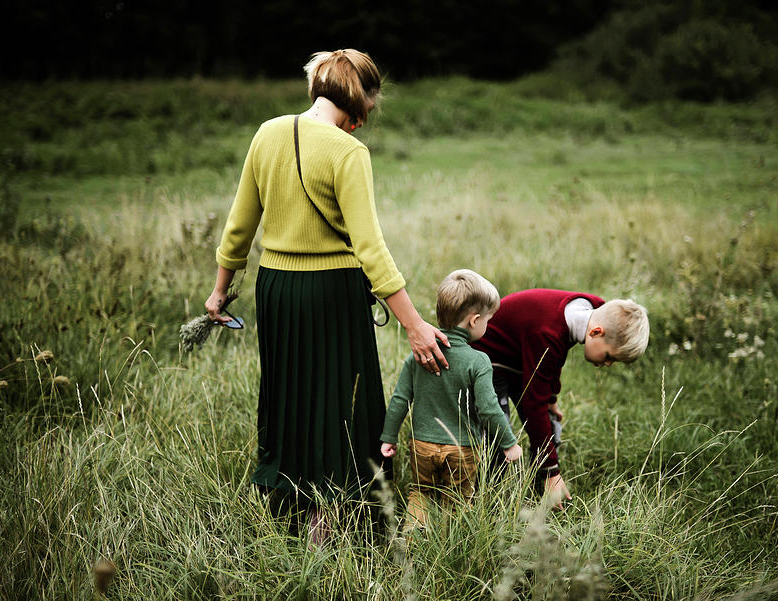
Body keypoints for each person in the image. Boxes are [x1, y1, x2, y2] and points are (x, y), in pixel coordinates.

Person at [204, 49, 449, 537]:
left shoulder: (267, 132)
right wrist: (416, 325)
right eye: (366, 114)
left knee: (289, 397)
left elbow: (238, 228)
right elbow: (371, 249)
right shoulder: (348, 152)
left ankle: (290, 511)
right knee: (343, 404)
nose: (361, 126)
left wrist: (218, 293)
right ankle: (332, 522)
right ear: (357, 103)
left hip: (276, 289)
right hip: (331, 294)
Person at [470, 289, 649, 509]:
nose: (608, 364)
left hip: (522, 357)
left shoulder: (595, 309)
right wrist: (553, 471)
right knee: (498, 433)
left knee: (548, 422)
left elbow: (552, 361)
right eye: (610, 357)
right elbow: (533, 401)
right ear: (596, 332)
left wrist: (551, 397)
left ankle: (540, 481)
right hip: (489, 359)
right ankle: (486, 499)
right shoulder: (549, 333)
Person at [380, 269, 523, 529]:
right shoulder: (478, 361)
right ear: (474, 320)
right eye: (488, 320)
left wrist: (389, 437)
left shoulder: (418, 356)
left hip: (421, 444)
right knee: (457, 500)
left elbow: (399, 400)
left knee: (420, 494)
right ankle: (449, 548)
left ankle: (411, 543)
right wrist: (509, 444)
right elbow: (489, 409)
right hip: (462, 449)